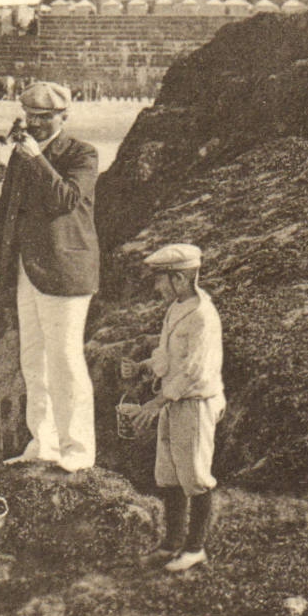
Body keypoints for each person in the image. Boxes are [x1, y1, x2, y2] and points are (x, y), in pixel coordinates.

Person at [0, 81, 99, 473]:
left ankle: (78, 450)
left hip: (66, 272)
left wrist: (35, 159)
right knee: (34, 360)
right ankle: (43, 443)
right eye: (31, 116)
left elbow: (65, 200)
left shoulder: (83, 154)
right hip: (24, 270)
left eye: (44, 117)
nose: (35, 123)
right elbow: (5, 207)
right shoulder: (21, 156)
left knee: (66, 360)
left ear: (63, 117)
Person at [126, 243, 224, 573]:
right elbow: (169, 355)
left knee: (195, 475)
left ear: (180, 280)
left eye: (161, 280)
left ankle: (195, 548)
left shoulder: (202, 317)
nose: (156, 288)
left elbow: (194, 371)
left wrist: (156, 402)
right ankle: (171, 544)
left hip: (195, 404)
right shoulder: (177, 308)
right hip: (175, 403)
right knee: (168, 473)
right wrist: (143, 366)